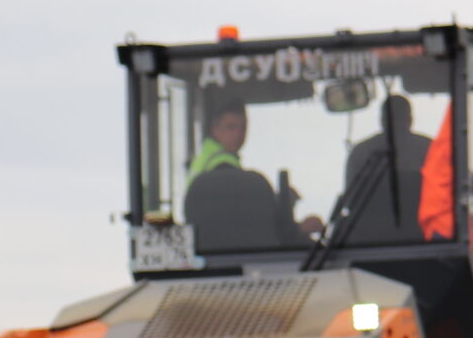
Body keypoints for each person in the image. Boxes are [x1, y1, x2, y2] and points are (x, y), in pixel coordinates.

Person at [182, 103, 322, 254]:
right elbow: (244, 214)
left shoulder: (205, 156)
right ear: (215, 130)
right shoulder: (221, 162)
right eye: (231, 127)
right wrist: (290, 222)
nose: (238, 134)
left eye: (243, 128)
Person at [339, 94, 430, 243]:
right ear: (411, 119)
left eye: (399, 117)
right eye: (395, 118)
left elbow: (351, 201)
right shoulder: (430, 149)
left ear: (381, 121)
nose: (397, 123)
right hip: (425, 242)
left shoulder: (361, 152)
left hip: (369, 245)